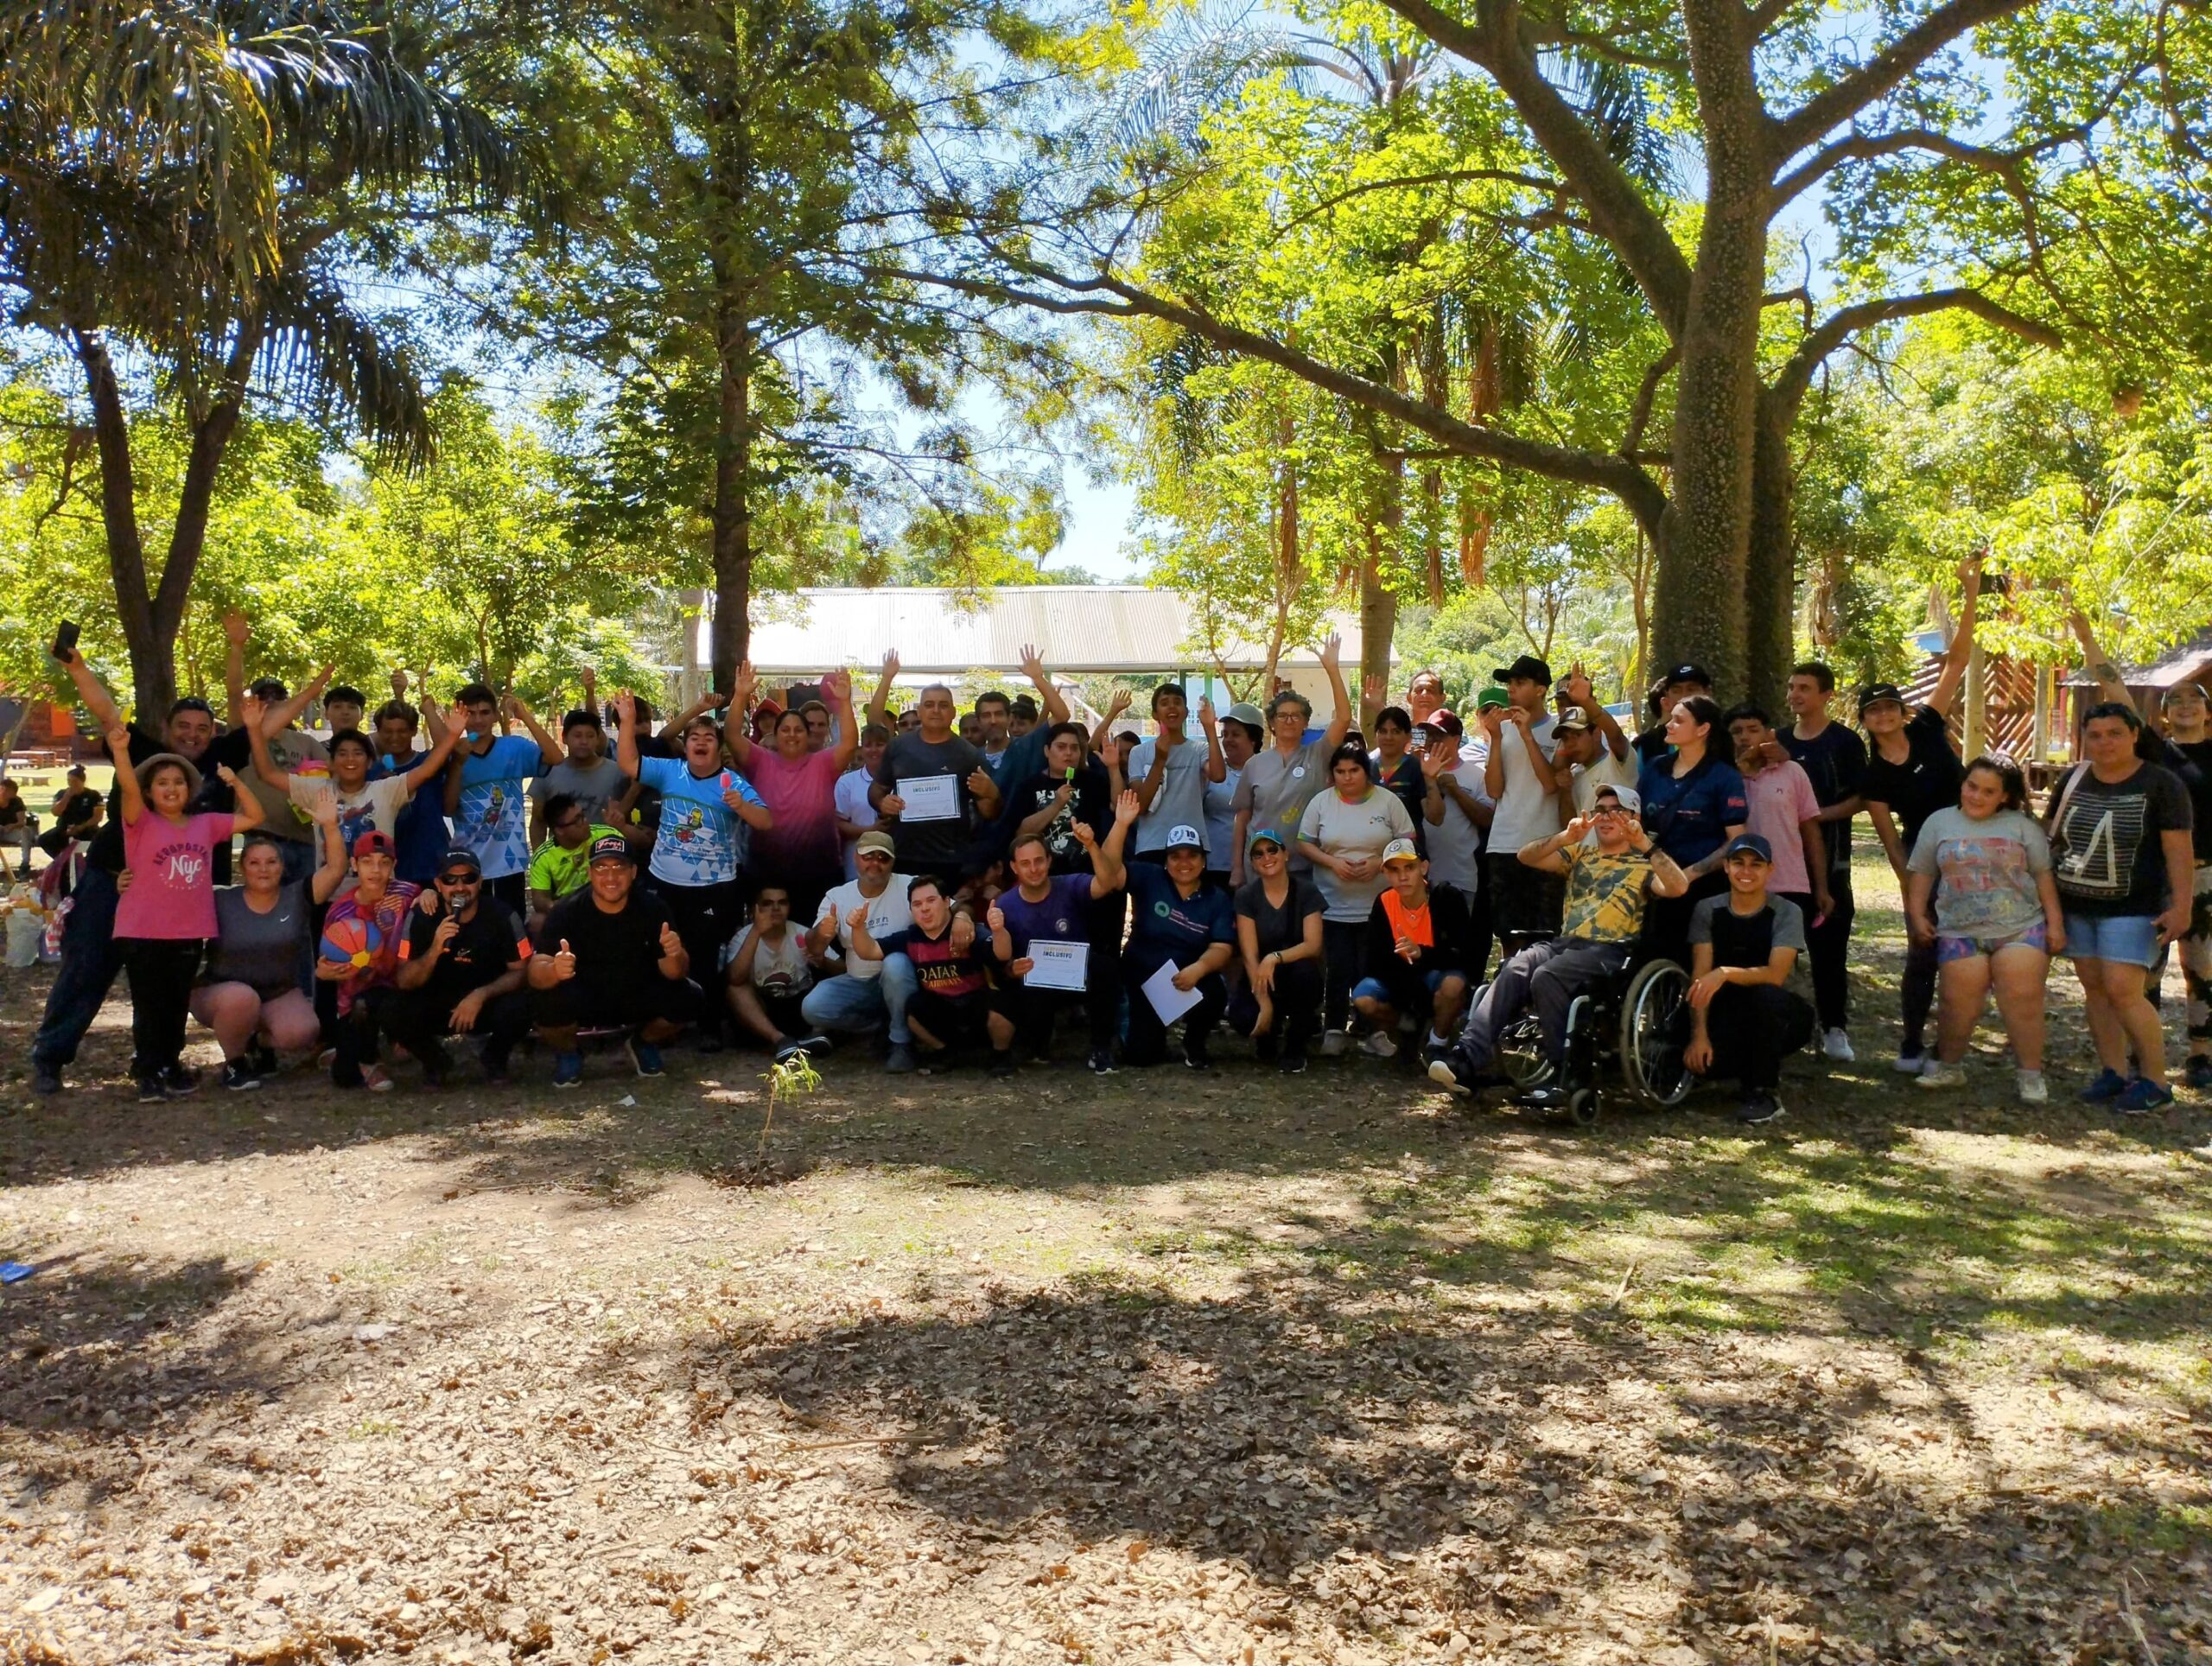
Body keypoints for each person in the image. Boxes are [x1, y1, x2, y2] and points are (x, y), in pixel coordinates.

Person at [1429, 785, 1688, 1098]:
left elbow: (1678, 888)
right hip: (1564, 943)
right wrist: (1565, 838)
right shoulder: (1581, 855)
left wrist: (1645, 844)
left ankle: (1565, 1072)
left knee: (1548, 975)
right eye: (1600, 810)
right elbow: (1526, 856)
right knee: (1514, 967)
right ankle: (1468, 1057)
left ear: (1634, 818)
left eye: (1616, 811)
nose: (1606, 817)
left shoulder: (1644, 865)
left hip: (1610, 950)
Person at [2067, 600, 2212, 1089]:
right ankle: (2136, 1058)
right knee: (2140, 972)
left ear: (2208, 711)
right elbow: (2115, 691)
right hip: (2152, 875)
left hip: (2207, 871)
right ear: (2164, 715)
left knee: (2203, 968)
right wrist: (2087, 641)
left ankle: (2201, 1053)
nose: (2186, 706)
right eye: (2177, 701)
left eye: (2195, 700)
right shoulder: (2155, 752)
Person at [2045, 701, 2195, 1114]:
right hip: (2076, 904)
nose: (2105, 742)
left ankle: (2156, 1081)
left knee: (2124, 991)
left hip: (2135, 906)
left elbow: (2179, 852)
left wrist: (2181, 906)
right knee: (2095, 990)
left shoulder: (2161, 784)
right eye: (2095, 734)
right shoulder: (2074, 779)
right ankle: (2113, 1071)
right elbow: (2052, 836)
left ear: (2134, 735)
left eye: (2115, 733)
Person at [103, 722, 264, 1101]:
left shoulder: (205, 824)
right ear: (149, 792)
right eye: (162, 783)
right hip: (142, 931)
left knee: (176, 1003)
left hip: (189, 930)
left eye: (178, 782)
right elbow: (127, 786)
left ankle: (170, 1066)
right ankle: (149, 1072)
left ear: (190, 789)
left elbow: (254, 817)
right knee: (149, 1004)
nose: (171, 788)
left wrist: (235, 783)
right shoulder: (140, 823)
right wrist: (122, 751)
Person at [1862, 558, 1979, 1075]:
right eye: (1874, 711)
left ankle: (1955, 1044)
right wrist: (1912, 897)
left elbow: (1956, 662)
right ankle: (1911, 1041)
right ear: (1865, 721)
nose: (1885, 715)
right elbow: (1890, 839)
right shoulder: (1874, 774)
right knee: (1923, 946)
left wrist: (1969, 594)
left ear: (1902, 711)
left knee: (1973, 948)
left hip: (1979, 842)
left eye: (1891, 706)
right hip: (1927, 856)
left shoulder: (1929, 727)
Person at [1906, 755, 2064, 1103]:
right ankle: (1949, 1067)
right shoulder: (1939, 823)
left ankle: (2031, 1076)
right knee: (1955, 1004)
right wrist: (1917, 914)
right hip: (1959, 931)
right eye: (1971, 786)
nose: (1976, 796)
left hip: (2020, 928)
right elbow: (1922, 872)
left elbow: (2042, 875)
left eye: (1988, 791)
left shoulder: (2022, 827)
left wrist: (2055, 924)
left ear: (2004, 797)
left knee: (2022, 1001)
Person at [614, 690, 772, 1024]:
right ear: (685, 746)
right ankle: (665, 1018)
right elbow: (628, 763)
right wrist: (627, 724)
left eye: (709, 738)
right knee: (661, 950)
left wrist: (741, 806)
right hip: (663, 882)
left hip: (715, 887)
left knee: (707, 956)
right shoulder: (670, 772)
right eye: (694, 738)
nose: (701, 743)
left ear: (718, 746)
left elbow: (766, 820)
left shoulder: (733, 782)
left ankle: (709, 1024)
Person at [190, 796, 349, 1090]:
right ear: (243, 867)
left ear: (281, 866)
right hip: (220, 993)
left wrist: (329, 825)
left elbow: (336, 869)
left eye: (271, 862)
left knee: (302, 1032)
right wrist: (128, 880)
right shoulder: (220, 899)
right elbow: (173, 894)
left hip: (277, 992)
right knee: (241, 999)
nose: (263, 869)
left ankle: (256, 1041)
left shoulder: (296, 897)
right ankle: (235, 1064)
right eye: (254, 863)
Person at [530, 834, 702, 1086]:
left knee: (691, 996)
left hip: (637, 992)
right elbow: (535, 973)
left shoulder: (653, 908)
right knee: (539, 1001)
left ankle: (643, 1043)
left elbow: (675, 973)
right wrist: (555, 970)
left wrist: (675, 954)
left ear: (633, 872)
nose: (610, 877)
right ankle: (568, 1053)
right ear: (590, 873)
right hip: (584, 995)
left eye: (619, 868)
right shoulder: (567, 910)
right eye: (601, 868)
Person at [985, 793, 1136, 1076]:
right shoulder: (1005, 904)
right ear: (1014, 868)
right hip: (1037, 984)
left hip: (1077, 976)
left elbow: (1106, 883)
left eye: (1039, 861)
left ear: (1049, 861)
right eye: (1026, 864)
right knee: (1016, 997)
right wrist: (1012, 969)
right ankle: (1034, 1044)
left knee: (1105, 967)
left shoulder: (1069, 885)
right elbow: (1002, 960)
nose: (1034, 869)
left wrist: (1091, 846)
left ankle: (1101, 1049)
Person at [1684, 835, 1815, 1126]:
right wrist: (1699, 1035)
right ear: (1727, 867)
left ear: (1770, 869)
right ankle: (1737, 1069)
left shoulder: (1786, 912)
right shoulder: (1708, 909)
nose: (1746, 872)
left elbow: (1775, 974)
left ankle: (1765, 1091)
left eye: (1756, 865)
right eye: (1738, 863)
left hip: (1776, 1009)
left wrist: (1725, 972)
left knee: (1766, 997)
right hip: (1726, 1008)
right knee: (1705, 1065)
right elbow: (1700, 976)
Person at [1297, 741, 1418, 1053]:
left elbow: (1408, 840)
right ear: (1332, 773)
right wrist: (1332, 862)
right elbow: (1304, 843)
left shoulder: (1387, 802)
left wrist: (1381, 862)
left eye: (1354, 770)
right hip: (1332, 903)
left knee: (1373, 967)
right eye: (1340, 771)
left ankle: (1374, 1032)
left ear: (1367, 772)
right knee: (1338, 967)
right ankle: (1334, 1029)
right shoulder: (1321, 803)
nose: (1347, 777)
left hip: (1379, 904)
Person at [243, 691, 465, 858]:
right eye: (342, 754)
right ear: (331, 762)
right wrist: (254, 729)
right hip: (330, 892)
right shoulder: (319, 789)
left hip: (381, 884)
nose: (350, 760)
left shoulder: (386, 788)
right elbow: (267, 773)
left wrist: (453, 734)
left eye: (358, 753)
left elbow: (427, 769)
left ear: (369, 761)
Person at [1779, 661, 1867, 1062]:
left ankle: (1835, 1029)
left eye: (1805, 688)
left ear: (1826, 695)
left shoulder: (1845, 743)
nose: (1796, 694)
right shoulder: (1776, 742)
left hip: (1831, 863)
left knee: (1829, 951)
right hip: (1780, 868)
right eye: (1792, 687)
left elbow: (1860, 799)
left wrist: (1814, 817)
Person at [389, 846, 533, 1086]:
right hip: (437, 1002)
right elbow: (404, 980)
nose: (459, 887)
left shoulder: (503, 915)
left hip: (485, 1002)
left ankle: (495, 1059)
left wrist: (481, 995)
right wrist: (435, 949)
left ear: (480, 882)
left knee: (525, 1003)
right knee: (392, 1009)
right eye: (450, 879)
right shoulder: (421, 916)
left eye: (468, 878)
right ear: (438, 883)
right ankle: (436, 1062)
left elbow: (521, 972)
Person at [1098, 822, 1236, 1068]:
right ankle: (1145, 1033)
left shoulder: (1217, 898)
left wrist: (1199, 969)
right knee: (1141, 1057)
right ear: (1166, 861)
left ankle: (1193, 1043)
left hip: (1186, 977)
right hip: (1141, 976)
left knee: (1215, 991)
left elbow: (1222, 948)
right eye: (1176, 856)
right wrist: (1120, 824)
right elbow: (1109, 874)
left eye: (1192, 855)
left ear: (1204, 860)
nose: (1184, 863)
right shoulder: (1149, 877)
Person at [729, 663, 857, 920]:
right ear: (774, 735)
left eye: (799, 729)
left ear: (808, 734)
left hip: (819, 871)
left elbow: (850, 743)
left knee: (817, 945)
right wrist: (740, 695)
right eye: (785, 729)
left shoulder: (824, 763)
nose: (792, 734)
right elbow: (732, 735)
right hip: (767, 874)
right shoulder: (760, 760)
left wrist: (844, 703)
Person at [1634, 695, 1749, 966]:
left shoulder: (1724, 777)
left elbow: (1736, 841)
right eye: (1670, 718)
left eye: (1679, 720)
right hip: (1654, 882)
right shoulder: (1654, 768)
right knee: (1651, 957)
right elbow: (1637, 821)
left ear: (1703, 729)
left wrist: (1688, 875)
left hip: (1702, 888)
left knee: (1693, 962)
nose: (1669, 725)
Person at [801, 830, 927, 1071]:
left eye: (883, 858)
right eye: (869, 856)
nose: (875, 863)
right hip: (858, 982)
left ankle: (901, 1043)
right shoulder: (837, 896)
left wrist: (962, 915)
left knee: (896, 963)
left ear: (893, 862)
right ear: (856, 858)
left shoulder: (911, 885)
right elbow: (814, 947)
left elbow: (950, 906)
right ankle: (883, 1026)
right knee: (813, 1007)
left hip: (904, 980)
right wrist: (822, 933)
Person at [848, 874, 1000, 1073]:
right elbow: (869, 951)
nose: (925, 909)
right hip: (942, 1014)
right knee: (913, 1007)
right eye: (917, 904)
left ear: (946, 902)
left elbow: (1000, 956)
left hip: (976, 1010)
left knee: (1000, 1002)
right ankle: (945, 1052)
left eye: (931, 901)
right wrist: (858, 928)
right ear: (911, 910)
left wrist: (997, 930)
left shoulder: (965, 932)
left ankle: (1000, 1055)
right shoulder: (911, 937)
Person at [1230, 634, 1351, 883]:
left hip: (1307, 866)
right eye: (1282, 716)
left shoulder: (1318, 754)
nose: (1289, 721)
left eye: (1296, 716)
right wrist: (1237, 869)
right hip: (1260, 866)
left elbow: (1343, 719)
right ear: (1272, 723)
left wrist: (1332, 669)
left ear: (1306, 722)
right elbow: (1242, 818)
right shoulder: (1255, 764)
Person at [1351, 838, 1477, 1064]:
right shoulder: (1384, 901)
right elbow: (1374, 961)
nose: (1402, 876)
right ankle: (1408, 1028)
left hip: (1439, 974)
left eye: (1409, 867)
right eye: (1394, 870)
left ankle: (1436, 1043)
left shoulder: (1447, 897)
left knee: (1453, 985)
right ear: (1386, 874)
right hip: (1400, 981)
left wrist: (1422, 953)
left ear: (1424, 868)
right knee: (1363, 998)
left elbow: (1466, 954)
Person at [316, 830, 422, 1091]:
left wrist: (429, 895)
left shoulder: (408, 894)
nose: (376, 870)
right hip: (357, 997)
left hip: (399, 987)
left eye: (384, 862)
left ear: (394, 866)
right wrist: (324, 973)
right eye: (367, 862)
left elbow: (431, 903)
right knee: (345, 1079)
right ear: (354, 865)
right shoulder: (340, 912)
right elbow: (324, 964)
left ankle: (390, 1048)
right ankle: (357, 1056)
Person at [443, 687, 562, 916]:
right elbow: (448, 808)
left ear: (496, 715)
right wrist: (457, 763)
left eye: (485, 712)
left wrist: (525, 716)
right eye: (471, 713)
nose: (478, 720)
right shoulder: (450, 754)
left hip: (511, 860)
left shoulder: (514, 747)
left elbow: (556, 757)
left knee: (512, 925)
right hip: (468, 863)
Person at [871, 684, 998, 877]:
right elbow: (876, 790)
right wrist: (882, 803)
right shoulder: (898, 747)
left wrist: (992, 793)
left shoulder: (969, 754)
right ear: (920, 711)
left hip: (951, 860)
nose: (936, 711)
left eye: (943, 705)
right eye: (929, 705)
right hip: (904, 856)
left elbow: (989, 812)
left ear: (954, 712)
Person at [1483, 654, 1564, 945]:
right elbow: (1494, 790)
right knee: (1509, 936)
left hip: (1545, 844)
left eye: (1520, 682)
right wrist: (1494, 739)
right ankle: (1509, 989)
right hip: (1503, 843)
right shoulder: (1501, 730)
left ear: (1541, 689)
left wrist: (1527, 735)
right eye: (1510, 683)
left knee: (1545, 936)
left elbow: (1550, 785)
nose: (1511, 689)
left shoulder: (1559, 730)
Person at [1726, 704, 1833, 927]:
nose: (1744, 737)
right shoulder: (1721, 778)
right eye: (1737, 731)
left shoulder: (1792, 771)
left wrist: (1821, 887)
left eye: (1753, 729)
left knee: (1784, 957)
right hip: (1735, 885)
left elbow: (1811, 831)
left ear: (1769, 734)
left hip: (1789, 884)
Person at [1230, 827, 1326, 1071]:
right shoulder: (1246, 896)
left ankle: (1296, 1045)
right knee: (1242, 1018)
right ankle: (1268, 1032)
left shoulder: (1307, 891)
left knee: (1305, 974)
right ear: (1252, 863)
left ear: (1285, 854)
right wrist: (1264, 1005)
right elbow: (1250, 955)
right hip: (1261, 977)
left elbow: (1313, 946)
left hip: (1295, 972)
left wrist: (1275, 958)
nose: (1267, 857)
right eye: (1258, 854)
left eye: (1272, 850)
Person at [724, 884, 833, 1063]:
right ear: (755, 909)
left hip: (799, 1006)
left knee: (829, 987)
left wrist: (823, 961)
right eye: (767, 903)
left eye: (782, 903)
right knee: (736, 990)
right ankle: (781, 1041)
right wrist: (757, 931)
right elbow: (735, 979)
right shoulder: (743, 936)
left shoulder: (801, 932)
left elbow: (843, 969)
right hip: (762, 1011)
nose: (775, 909)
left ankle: (806, 1040)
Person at [1002, 722, 1122, 874]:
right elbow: (1022, 833)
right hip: (1045, 874)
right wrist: (1056, 805)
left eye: (1074, 748)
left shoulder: (1092, 781)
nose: (1068, 753)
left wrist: (1113, 767)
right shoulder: (1029, 786)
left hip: (1086, 873)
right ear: (1047, 751)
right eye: (1061, 747)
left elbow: (1118, 806)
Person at [1128, 684, 1227, 867]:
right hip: (1152, 844)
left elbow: (1218, 775)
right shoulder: (1139, 752)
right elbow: (1139, 806)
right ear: (1155, 714)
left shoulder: (1199, 749)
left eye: (1177, 702)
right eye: (1165, 703)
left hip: (1191, 842)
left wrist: (1210, 729)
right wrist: (1159, 760)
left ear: (1186, 712)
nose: (1172, 707)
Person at [367, 696, 455, 887]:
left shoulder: (427, 761)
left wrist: (429, 710)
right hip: (390, 873)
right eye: (388, 731)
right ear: (378, 732)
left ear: (414, 731)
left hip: (431, 867)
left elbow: (447, 746)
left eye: (402, 731)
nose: (395, 737)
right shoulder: (371, 772)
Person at [528, 707, 634, 843]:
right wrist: (538, 859)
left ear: (597, 739)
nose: (584, 742)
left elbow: (628, 819)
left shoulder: (618, 773)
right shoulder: (547, 772)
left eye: (590, 736)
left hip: (605, 857)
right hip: (561, 859)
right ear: (564, 738)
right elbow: (538, 820)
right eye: (577, 735)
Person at [524, 792, 626, 927]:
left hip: (606, 898)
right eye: (578, 820)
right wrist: (558, 907)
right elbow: (539, 899)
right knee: (537, 922)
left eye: (583, 815)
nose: (586, 822)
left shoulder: (607, 835)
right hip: (567, 906)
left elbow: (627, 867)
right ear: (560, 830)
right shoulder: (543, 857)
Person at [1549, 667, 1637, 818]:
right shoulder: (1574, 777)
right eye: (1565, 738)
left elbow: (1615, 734)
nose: (1570, 744)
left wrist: (1585, 701)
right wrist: (1565, 791)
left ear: (1596, 733)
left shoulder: (1618, 763)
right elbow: (1569, 827)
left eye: (1577, 735)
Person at [1370, 706, 1445, 856]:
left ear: (1408, 737)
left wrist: (1430, 780)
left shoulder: (1417, 767)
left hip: (1408, 853)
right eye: (1383, 731)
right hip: (1371, 852)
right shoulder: (1364, 767)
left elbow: (1435, 818)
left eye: (1396, 731)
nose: (1388, 737)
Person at [1204, 704, 1262, 888]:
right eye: (1225, 734)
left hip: (1258, 867)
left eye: (1235, 734)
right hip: (1213, 868)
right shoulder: (1211, 771)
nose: (1227, 740)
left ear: (1253, 739)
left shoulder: (1268, 771)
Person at [1632, 663, 1713, 766]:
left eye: (1691, 689)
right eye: (1676, 691)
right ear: (1667, 698)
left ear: (1707, 693)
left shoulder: (1726, 736)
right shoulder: (1648, 745)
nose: (1684, 696)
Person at [836, 723, 888, 880]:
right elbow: (839, 823)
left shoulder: (901, 779)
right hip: (857, 859)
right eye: (868, 745)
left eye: (880, 745)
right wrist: (870, 830)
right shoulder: (847, 783)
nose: (873, 750)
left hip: (895, 857)